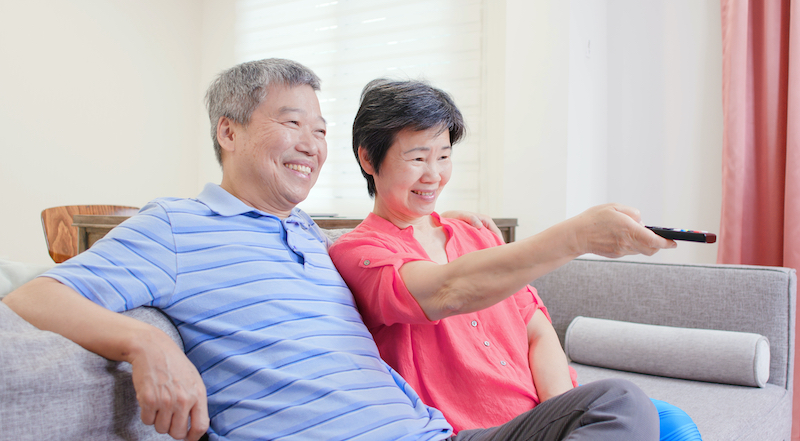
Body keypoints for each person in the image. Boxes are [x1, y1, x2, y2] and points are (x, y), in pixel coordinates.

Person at [4, 59, 660, 441]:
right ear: (228, 132)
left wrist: (454, 222)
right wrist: (145, 344)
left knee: (619, 404)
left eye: (319, 130)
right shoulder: (178, 225)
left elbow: (453, 280)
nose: (312, 144)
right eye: (292, 123)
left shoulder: (317, 241)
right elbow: (31, 292)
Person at [329, 79, 701, 440]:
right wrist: (579, 236)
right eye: (417, 158)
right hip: (470, 430)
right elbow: (448, 290)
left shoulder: (479, 234)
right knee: (623, 401)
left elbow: (536, 330)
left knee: (670, 422)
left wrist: (559, 414)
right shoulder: (358, 252)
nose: (435, 175)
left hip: (538, 420)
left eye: (443, 156)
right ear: (367, 157)